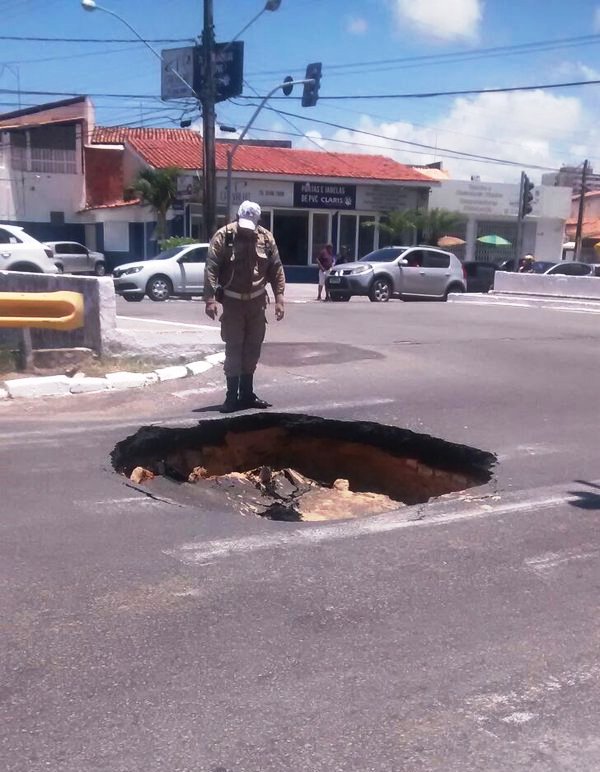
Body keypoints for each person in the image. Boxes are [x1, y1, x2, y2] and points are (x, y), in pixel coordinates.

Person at [204, 200, 285, 413]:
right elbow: (211, 267)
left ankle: (247, 394)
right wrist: (210, 299)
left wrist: (279, 298)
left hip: (257, 303)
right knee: (234, 348)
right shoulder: (224, 236)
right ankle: (232, 397)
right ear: (237, 217)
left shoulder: (266, 238)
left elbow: (276, 268)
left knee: (252, 348)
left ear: (257, 221)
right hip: (232, 303)